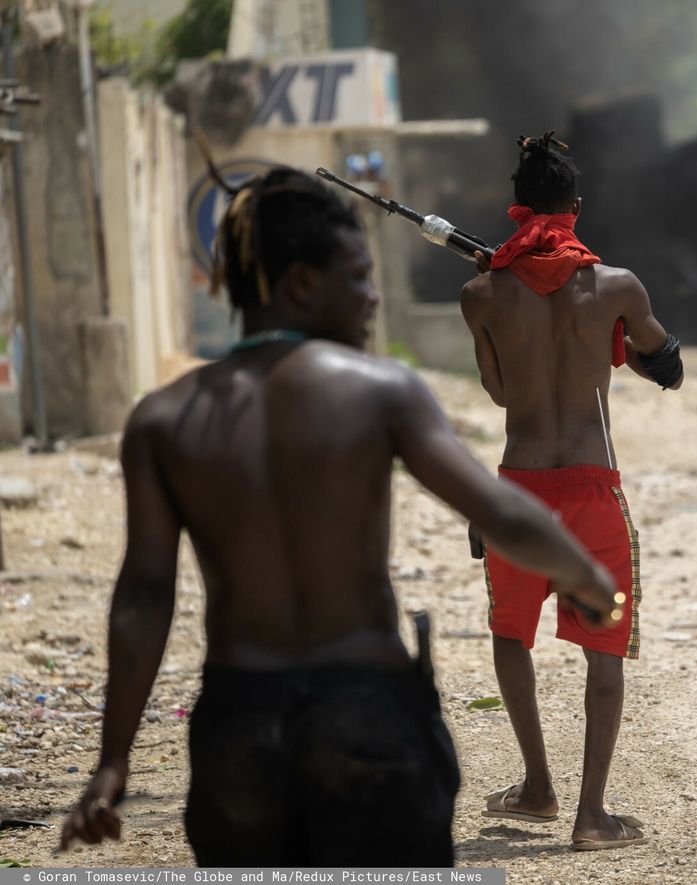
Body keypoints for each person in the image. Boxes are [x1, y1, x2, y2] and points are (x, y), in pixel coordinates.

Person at [59, 165, 622, 866]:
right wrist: (585, 574)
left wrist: (113, 761)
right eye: (357, 277)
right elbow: (496, 505)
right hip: (368, 719)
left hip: (238, 728)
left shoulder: (166, 419)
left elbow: (143, 595)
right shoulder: (379, 391)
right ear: (301, 285)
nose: (373, 295)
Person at [460, 131, 683, 851]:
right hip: (592, 487)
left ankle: (536, 785)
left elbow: (499, 395)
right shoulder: (617, 286)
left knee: (509, 634)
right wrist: (613, 345)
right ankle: (592, 817)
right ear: (577, 208)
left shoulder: (480, 292)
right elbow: (668, 366)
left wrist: (503, 292)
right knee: (603, 648)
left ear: (516, 207)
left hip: (518, 489)